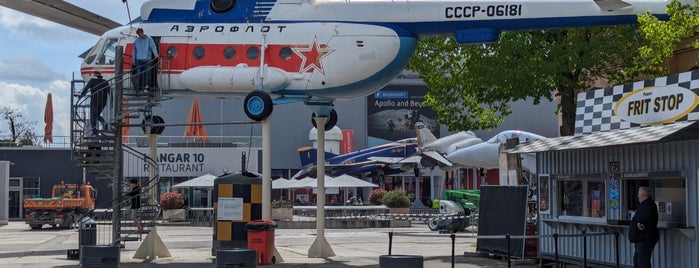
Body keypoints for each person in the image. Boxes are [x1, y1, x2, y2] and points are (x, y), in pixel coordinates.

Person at [628, 186, 659, 268]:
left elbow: (646, 216)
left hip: (645, 238)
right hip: (640, 238)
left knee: (642, 261)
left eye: (638, 193)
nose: (637, 196)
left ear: (643, 195)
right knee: (637, 260)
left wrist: (640, 222)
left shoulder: (649, 205)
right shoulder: (644, 205)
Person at [79, 71, 110, 136]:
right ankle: (104, 123)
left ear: (95, 75)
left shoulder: (92, 81)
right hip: (103, 102)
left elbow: (86, 88)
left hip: (95, 101)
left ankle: (94, 129)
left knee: (93, 116)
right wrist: (111, 101)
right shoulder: (105, 81)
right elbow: (109, 91)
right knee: (97, 115)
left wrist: (82, 95)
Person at [132, 28, 159, 92]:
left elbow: (153, 47)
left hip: (147, 59)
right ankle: (140, 87)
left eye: (140, 34)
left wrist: (156, 54)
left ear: (142, 32)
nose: (140, 36)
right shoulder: (136, 41)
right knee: (139, 74)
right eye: (138, 35)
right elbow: (134, 51)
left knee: (148, 73)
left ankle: (147, 86)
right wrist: (133, 59)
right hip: (139, 59)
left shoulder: (149, 39)